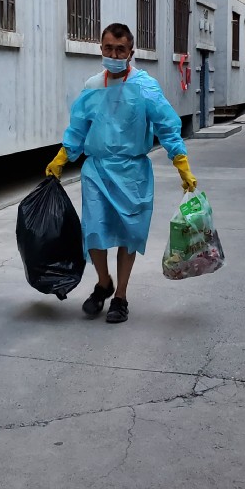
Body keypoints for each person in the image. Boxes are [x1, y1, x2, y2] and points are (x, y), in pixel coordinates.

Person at [46, 23, 197, 324]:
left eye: (120, 50)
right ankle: (104, 282)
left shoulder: (145, 87)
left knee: (129, 233)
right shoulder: (92, 86)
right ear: (100, 48)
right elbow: (78, 128)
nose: (114, 55)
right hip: (97, 170)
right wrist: (62, 157)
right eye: (109, 48)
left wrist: (181, 162)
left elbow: (167, 126)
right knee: (94, 231)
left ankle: (121, 297)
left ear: (131, 52)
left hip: (133, 172)